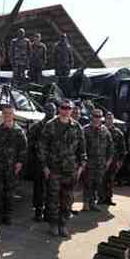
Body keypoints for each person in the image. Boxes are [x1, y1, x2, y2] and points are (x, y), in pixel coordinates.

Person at [39, 99, 87, 237]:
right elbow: (42, 147)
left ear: (72, 110)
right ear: (59, 109)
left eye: (68, 108)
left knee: (67, 199)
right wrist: (45, 167)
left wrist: (80, 167)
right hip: (54, 169)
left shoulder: (77, 127)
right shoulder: (50, 126)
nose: (66, 110)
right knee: (53, 199)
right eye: (63, 108)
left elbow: (82, 149)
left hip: (70, 170)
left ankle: (63, 224)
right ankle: (53, 224)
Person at [0, 105, 27, 225]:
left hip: (12, 167)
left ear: (13, 115)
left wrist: (19, 163)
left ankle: (7, 216)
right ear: (2, 115)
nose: (7, 115)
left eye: (10, 113)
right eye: (5, 113)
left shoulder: (19, 131)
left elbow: (23, 149)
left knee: (9, 192)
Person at [28, 102, 57, 222]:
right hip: (40, 163)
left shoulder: (58, 126)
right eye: (49, 110)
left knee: (52, 189)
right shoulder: (37, 127)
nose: (51, 112)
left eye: (53, 110)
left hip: (54, 163)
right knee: (39, 189)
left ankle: (47, 213)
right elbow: (30, 145)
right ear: (45, 111)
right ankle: (38, 212)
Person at [82, 109, 114, 211]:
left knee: (97, 183)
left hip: (101, 163)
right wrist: (82, 161)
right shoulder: (85, 129)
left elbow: (110, 146)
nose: (97, 118)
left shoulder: (105, 130)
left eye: (100, 116)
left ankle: (93, 203)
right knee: (88, 183)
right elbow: (80, 146)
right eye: (96, 116)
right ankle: (86, 203)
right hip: (89, 162)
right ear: (91, 117)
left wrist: (108, 160)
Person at [102, 111, 126, 206]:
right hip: (101, 160)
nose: (109, 120)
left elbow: (122, 148)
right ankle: (101, 198)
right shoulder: (100, 130)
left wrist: (120, 161)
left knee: (110, 180)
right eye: (107, 118)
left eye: (111, 118)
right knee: (101, 180)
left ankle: (108, 198)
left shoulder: (118, 132)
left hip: (113, 161)